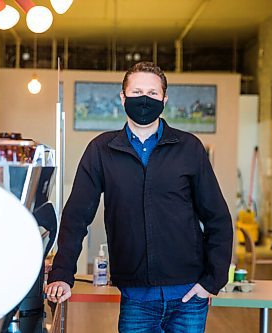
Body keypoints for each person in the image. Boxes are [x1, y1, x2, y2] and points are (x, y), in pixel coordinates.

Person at [45, 61, 233, 332]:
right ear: (123, 97)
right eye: (136, 92)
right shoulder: (101, 150)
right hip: (136, 297)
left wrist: (212, 281)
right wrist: (62, 273)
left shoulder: (189, 147)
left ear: (164, 99)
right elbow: (76, 217)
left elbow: (217, 217)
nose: (145, 99)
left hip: (189, 295)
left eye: (153, 93)